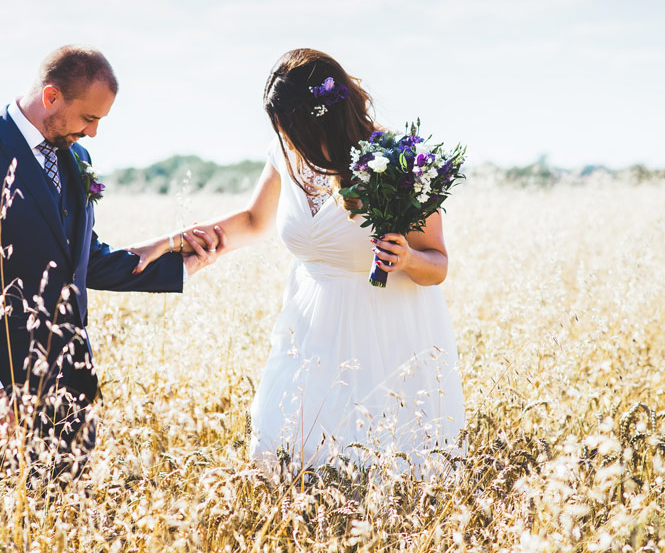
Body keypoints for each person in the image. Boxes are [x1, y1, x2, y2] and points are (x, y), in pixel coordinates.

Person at [134, 48, 465, 477]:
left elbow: (436, 265)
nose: (284, 135)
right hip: (308, 327)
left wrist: (405, 258)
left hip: (386, 335)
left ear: (320, 119)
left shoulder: (397, 159)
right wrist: (167, 243)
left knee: (381, 469)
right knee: (282, 450)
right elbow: (254, 222)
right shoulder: (286, 153)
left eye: (291, 126)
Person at [0, 45, 223, 481]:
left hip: (70, 383)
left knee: (66, 522)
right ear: (51, 97)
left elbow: (82, 262)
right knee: (3, 527)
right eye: (89, 118)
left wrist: (175, 257)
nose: (94, 133)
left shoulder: (77, 157)